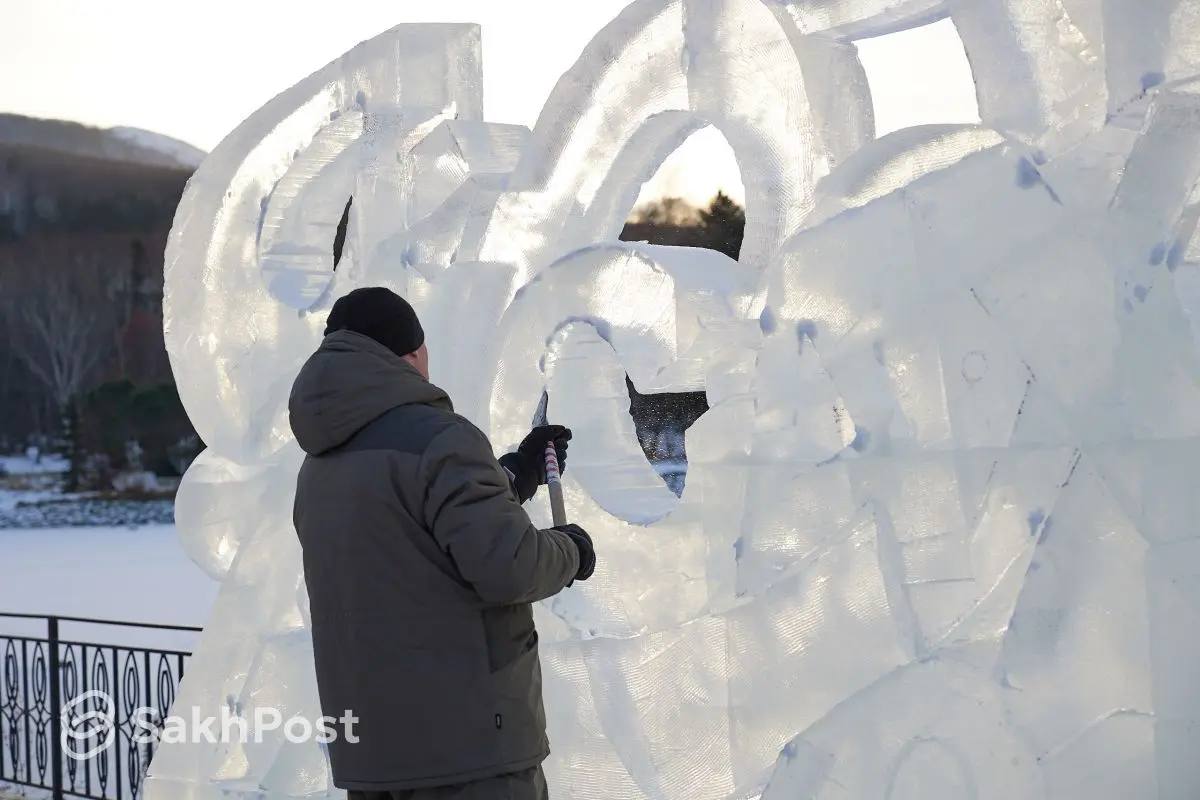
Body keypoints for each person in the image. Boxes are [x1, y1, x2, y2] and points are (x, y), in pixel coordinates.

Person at [290, 287, 596, 800]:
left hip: (372, 757)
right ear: (409, 354)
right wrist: (572, 550)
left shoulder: (319, 464)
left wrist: (517, 473)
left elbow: (414, 529)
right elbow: (510, 568)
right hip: (468, 752)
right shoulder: (442, 439)